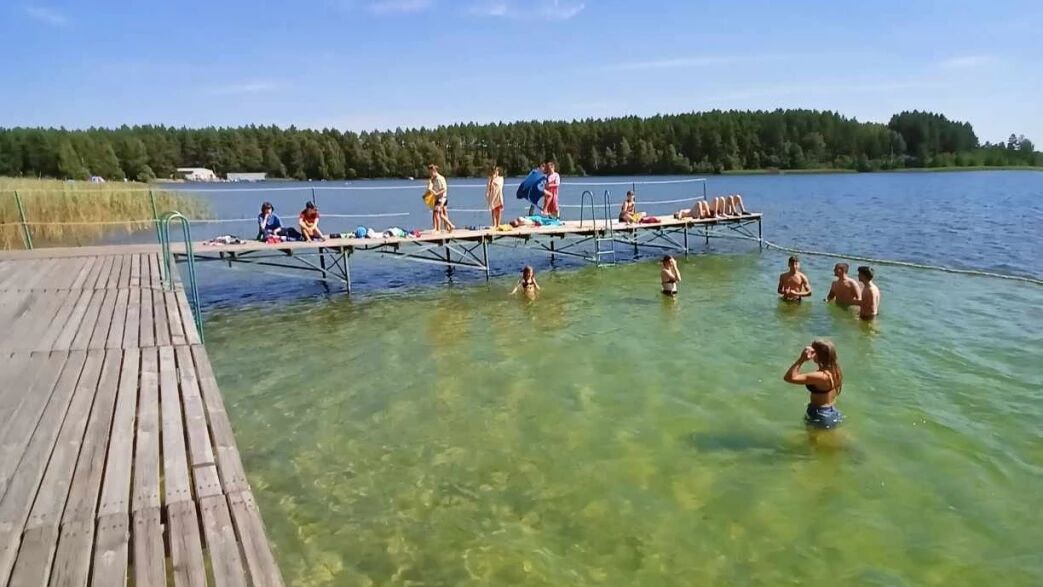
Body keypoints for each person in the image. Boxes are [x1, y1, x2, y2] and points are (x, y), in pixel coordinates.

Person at [783, 339, 844, 429]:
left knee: (813, 437)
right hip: (832, 411)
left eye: (813, 351)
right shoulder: (836, 371)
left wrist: (801, 359)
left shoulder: (820, 376)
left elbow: (788, 378)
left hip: (820, 415)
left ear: (819, 355)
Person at [428, 164, 455, 232]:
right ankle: (450, 226)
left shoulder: (439, 178)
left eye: (431, 172)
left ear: (434, 171)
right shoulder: (433, 179)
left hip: (441, 198)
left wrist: (436, 194)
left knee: (437, 212)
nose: (430, 174)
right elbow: (431, 187)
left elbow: (444, 189)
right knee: (440, 214)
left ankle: (439, 229)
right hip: (438, 198)